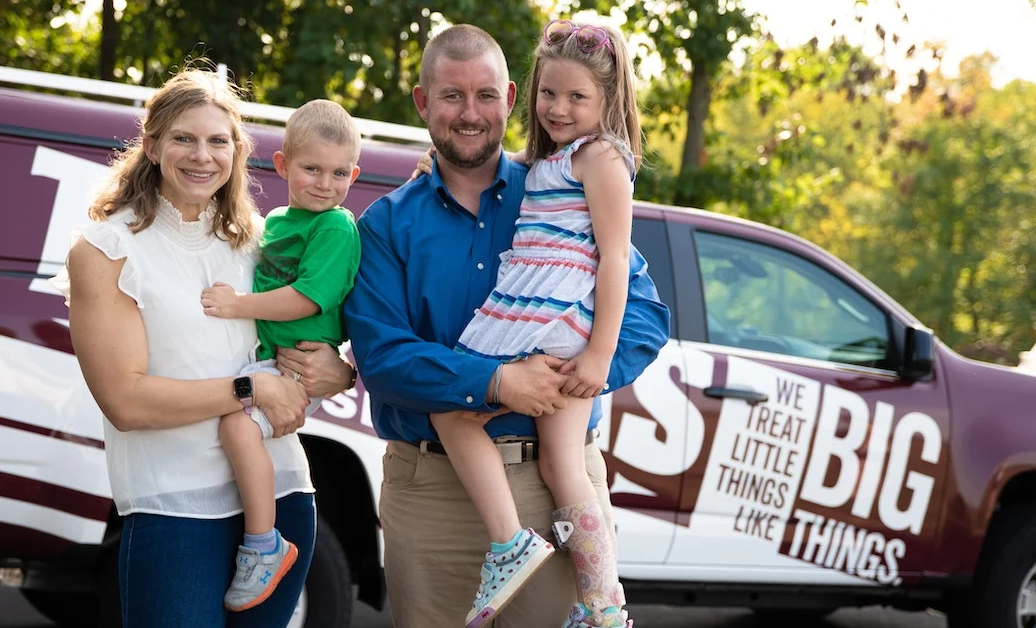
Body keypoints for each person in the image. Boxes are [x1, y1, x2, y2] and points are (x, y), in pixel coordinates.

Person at [344, 23, 670, 628]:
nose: (470, 113)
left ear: (511, 98)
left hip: (552, 486)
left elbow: (645, 317)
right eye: (452, 96)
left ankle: (602, 605)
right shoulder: (387, 223)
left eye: (486, 95)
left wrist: (572, 376)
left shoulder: (561, 189)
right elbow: (382, 359)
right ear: (423, 102)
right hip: (431, 491)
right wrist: (498, 383)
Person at [50, 67, 357, 628]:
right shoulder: (105, 250)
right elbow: (127, 403)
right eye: (183, 138)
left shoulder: (258, 239)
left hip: (283, 499)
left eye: (218, 141)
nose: (202, 156)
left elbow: (324, 313)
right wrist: (250, 388)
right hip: (176, 511)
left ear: (237, 152)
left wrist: (340, 371)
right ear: (151, 146)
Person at [198, 99, 362, 611]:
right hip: (269, 358)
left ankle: (264, 544)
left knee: (237, 427)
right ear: (283, 165)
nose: (325, 184)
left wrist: (236, 305)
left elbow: (308, 298)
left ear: (354, 176)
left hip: (298, 365)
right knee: (225, 426)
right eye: (312, 169)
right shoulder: (274, 221)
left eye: (339, 173)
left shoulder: (334, 227)